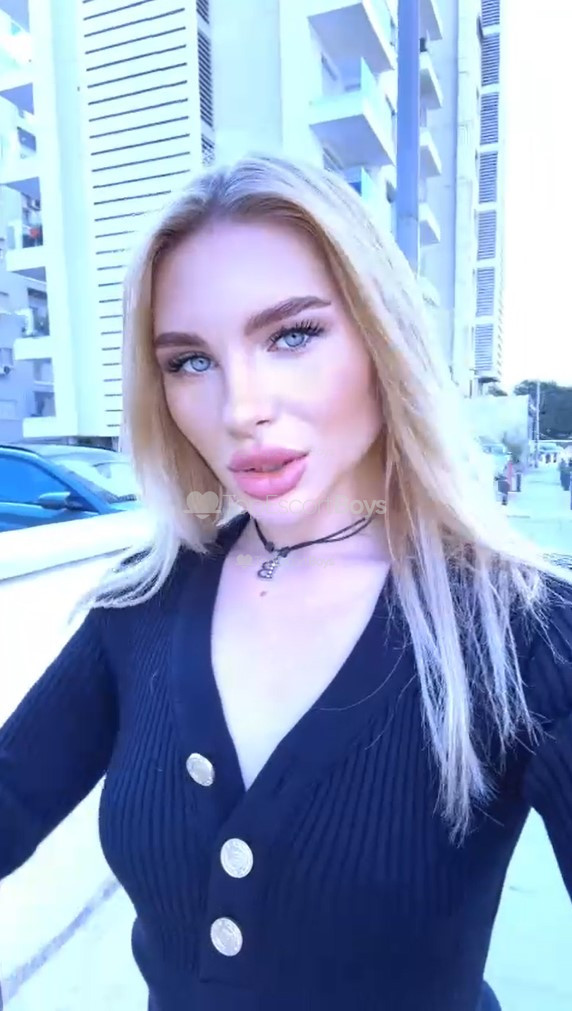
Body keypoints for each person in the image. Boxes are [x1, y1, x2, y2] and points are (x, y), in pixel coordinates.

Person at [1, 154, 572, 1011]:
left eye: (293, 335)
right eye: (190, 361)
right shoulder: (144, 604)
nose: (240, 407)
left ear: (382, 339)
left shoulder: (523, 631)